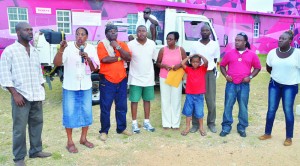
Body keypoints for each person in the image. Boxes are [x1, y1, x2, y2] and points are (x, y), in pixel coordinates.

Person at [0, 22, 51, 166]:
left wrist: (41, 88)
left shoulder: (34, 51)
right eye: (26, 30)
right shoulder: (10, 51)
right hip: (21, 96)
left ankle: (35, 151)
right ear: (17, 32)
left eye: (31, 30)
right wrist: (15, 94)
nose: (30, 32)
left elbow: (37, 71)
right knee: (19, 129)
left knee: (37, 124)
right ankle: (19, 157)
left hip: (36, 95)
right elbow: (4, 75)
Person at [53, 27, 100, 153]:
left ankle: (83, 139)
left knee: (86, 112)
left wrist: (88, 58)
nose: (80, 36)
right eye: (77, 34)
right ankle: (70, 142)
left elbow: (95, 68)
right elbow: (57, 63)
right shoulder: (67, 48)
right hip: (70, 86)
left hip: (85, 86)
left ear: (87, 37)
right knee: (69, 113)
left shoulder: (91, 48)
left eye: (83, 34)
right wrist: (61, 49)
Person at [259, 30, 300, 146]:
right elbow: (268, 68)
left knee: (288, 110)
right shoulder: (272, 53)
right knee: (271, 109)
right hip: (274, 85)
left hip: (290, 87)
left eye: (284, 38)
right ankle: (267, 133)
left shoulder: (297, 54)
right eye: (280, 38)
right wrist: (278, 76)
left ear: (290, 41)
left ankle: (289, 137)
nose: (280, 40)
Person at [219, 32, 261, 137]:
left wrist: (250, 77)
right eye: (236, 40)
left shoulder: (252, 54)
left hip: (244, 85)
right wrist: (226, 76)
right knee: (228, 105)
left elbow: (258, 67)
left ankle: (242, 127)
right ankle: (226, 127)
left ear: (245, 42)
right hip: (231, 84)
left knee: (243, 106)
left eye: (239, 40)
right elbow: (222, 65)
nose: (237, 42)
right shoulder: (229, 53)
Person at [97, 24, 132, 141]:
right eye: (111, 31)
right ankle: (104, 131)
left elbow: (128, 57)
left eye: (115, 31)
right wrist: (118, 58)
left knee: (122, 106)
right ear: (106, 33)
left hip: (121, 79)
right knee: (105, 107)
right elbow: (104, 59)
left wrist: (117, 47)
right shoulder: (102, 44)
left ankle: (121, 128)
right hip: (107, 81)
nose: (113, 33)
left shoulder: (121, 44)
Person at [189, 24, 220, 133]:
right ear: (200, 32)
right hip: (198, 74)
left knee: (211, 100)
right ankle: (195, 124)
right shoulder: (195, 44)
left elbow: (216, 59)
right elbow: (191, 60)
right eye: (203, 30)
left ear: (210, 32)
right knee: (196, 99)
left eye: (207, 30)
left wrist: (213, 71)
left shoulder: (215, 44)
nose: (205, 32)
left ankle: (211, 123)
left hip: (209, 73)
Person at [127, 25, 156, 133]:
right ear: (136, 33)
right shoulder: (130, 44)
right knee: (134, 101)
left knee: (147, 100)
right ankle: (134, 123)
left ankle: (146, 122)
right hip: (135, 78)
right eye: (139, 31)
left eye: (143, 31)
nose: (141, 33)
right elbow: (128, 59)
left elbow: (153, 59)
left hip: (148, 77)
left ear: (146, 32)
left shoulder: (152, 44)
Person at [156, 31, 187, 130]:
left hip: (176, 77)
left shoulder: (180, 50)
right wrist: (163, 66)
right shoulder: (162, 50)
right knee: (165, 100)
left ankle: (175, 123)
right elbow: (157, 63)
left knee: (176, 99)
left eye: (171, 39)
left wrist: (180, 65)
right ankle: (166, 123)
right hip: (164, 77)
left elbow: (186, 62)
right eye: (167, 39)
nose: (168, 41)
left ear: (176, 40)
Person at [180, 54, 208, 136]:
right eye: (193, 62)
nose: (195, 63)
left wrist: (200, 55)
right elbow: (182, 63)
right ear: (191, 62)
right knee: (188, 112)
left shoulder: (203, 69)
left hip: (199, 95)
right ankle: (187, 127)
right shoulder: (188, 69)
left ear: (200, 63)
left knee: (199, 112)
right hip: (189, 95)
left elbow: (206, 62)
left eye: (197, 62)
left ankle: (201, 128)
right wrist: (189, 57)